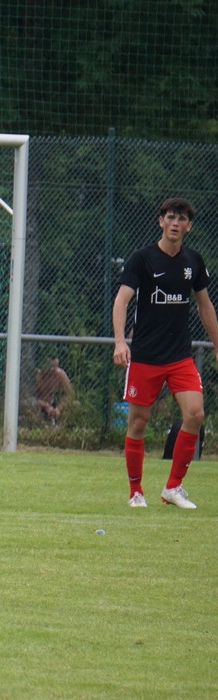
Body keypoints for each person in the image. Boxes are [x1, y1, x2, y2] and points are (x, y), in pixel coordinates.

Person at [111, 197, 218, 509]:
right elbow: (121, 301)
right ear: (161, 221)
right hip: (145, 356)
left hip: (179, 356)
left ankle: (173, 487)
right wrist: (120, 342)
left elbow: (204, 306)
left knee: (195, 414)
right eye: (170, 217)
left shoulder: (193, 261)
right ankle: (135, 492)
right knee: (138, 422)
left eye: (181, 219)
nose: (175, 223)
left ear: (189, 226)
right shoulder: (142, 259)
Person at [35, 356, 73, 425]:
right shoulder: (38, 375)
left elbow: (70, 394)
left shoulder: (59, 374)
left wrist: (59, 408)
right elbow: (30, 397)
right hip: (38, 404)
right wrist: (45, 406)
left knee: (75, 404)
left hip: (53, 404)